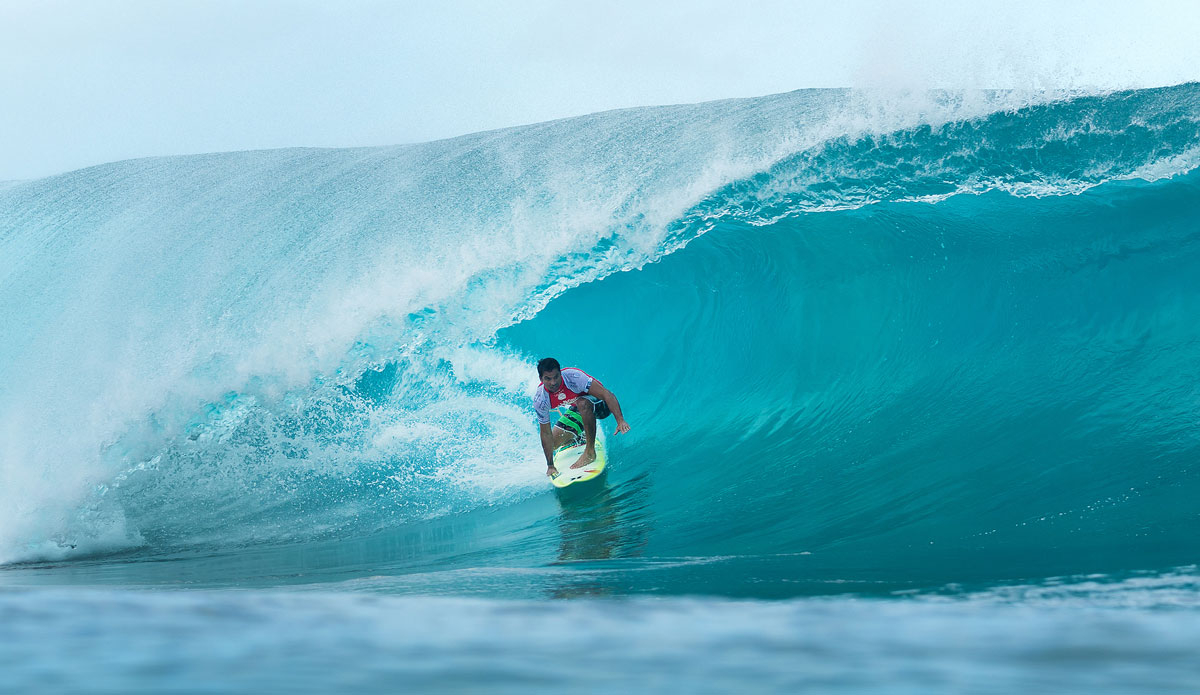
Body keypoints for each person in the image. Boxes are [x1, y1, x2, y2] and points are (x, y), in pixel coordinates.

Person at [533, 357, 630, 478]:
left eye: (556, 377)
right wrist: (550, 465)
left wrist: (620, 420)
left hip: (602, 406)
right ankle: (579, 437)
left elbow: (607, 394)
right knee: (552, 444)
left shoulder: (574, 377)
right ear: (541, 379)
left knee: (582, 403)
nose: (553, 382)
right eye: (548, 378)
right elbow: (545, 434)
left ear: (560, 373)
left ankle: (590, 452)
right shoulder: (541, 399)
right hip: (579, 408)